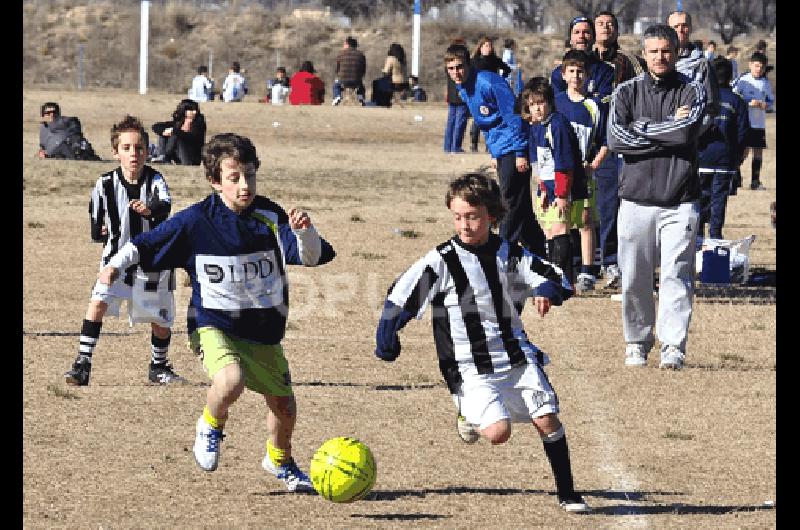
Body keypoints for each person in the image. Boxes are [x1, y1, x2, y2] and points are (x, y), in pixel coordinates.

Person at [94, 133, 336, 487]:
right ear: (214, 181)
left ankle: (279, 461)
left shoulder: (270, 215)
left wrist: (305, 232)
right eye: (234, 177)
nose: (244, 185)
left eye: (250, 175)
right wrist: (114, 266)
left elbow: (311, 258)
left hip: (263, 333)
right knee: (231, 379)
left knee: (284, 410)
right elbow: (148, 243)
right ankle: (210, 425)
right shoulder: (196, 221)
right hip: (213, 324)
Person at [374, 172, 590, 514]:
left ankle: (568, 492)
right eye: (458, 217)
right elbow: (401, 296)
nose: (465, 225)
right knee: (497, 433)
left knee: (547, 418)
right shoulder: (441, 260)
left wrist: (546, 291)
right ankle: (467, 412)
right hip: (468, 365)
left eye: (472, 217)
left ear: (492, 215)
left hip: (515, 355)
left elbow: (555, 276)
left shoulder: (509, 253)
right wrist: (387, 335)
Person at [607, 23, 708, 370]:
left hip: (680, 200)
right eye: (653, 51)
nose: (660, 57)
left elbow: (687, 132)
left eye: (666, 50)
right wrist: (664, 128)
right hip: (635, 199)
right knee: (634, 275)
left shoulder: (693, 90)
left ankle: (673, 346)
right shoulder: (625, 93)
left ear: (676, 52)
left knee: (676, 274)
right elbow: (616, 139)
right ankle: (637, 342)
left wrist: (643, 127)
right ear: (644, 54)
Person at [63, 115, 184, 386]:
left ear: (147, 151)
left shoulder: (155, 180)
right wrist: (101, 233)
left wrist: (149, 210)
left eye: (139, 148)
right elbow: (96, 219)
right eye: (127, 148)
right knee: (97, 304)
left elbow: (164, 205)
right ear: (115, 152)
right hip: (115, 261)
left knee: (160, 322)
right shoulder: (104, 184)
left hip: (152, 262)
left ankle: (159, 366)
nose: (134, 154)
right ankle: (82, 364)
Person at [446, 46, 547, 258]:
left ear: (468, 64)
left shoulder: (489, 82)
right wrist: (494, 152)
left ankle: (499, 254)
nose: (456, 72)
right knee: (522, 208)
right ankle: (543, 255)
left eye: (460, 67)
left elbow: (514, 116)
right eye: (451, 68)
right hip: (501, 148)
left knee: (509, 202)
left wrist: (520, 151)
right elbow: (487, 125)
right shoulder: (463, 88)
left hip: (514, 145)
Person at [591, 10, 647, 289]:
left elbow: (646, 92)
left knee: (613, 203)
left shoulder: (631, 64)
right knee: (584, 206)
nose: (606, 28)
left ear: (617, 31)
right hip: (584, 141)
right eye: (600, 24)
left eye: (610, 24)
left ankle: (612, 260)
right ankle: (583, 262)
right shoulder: (579, 62)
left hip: (617, 141)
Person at [521, 76, 585, 286]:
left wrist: (562, 194)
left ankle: (563, 280)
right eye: (532, 105)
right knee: (550, 231)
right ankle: (560, 278)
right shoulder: (536, 125)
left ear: (549, 102)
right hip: (548, 187)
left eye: (541, 103)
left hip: (563, 187)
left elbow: (564, 164)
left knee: (560, 230)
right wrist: (542, 187)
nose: (537, 109)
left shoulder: (558, 125)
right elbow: (538, 159)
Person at [554, 50, 609, 291]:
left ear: (587, 75)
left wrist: (595, 164)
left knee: (586, 220)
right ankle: (562, 269)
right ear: (563, 74)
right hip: (560, 171)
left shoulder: (594, 105)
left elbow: (607, 140)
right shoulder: (555, 102)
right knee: (560, 219)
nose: (576, 76)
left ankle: (588, 271)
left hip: (584, 172)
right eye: (571, 72)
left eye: (580, 72)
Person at [697, 57, 750, 239]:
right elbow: (743, 133)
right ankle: (715, 238)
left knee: (699, 199)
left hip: (702, 157)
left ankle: (697, 239)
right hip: (725, 161)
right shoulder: (737, 101)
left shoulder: (701, 98)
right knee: (718, 200)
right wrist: (738, 158)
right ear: (730, 76)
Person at [667, 11, 720, 124]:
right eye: (675, 26)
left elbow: (711, 106)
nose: (680, 30)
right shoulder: (658, 61)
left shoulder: (702, 64)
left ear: (690, 28)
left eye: (684, 26)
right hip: (661, 130)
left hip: (692, 131)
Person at [732, 51, 774, 191]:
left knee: (758, 152)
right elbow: (734, 96)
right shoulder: (743, 80)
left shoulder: (765, 83)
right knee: (743, 151)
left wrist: (766, 105)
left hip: (759, 123)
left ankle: (755, 181)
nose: (759, 69)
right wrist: (749, 102)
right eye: (756, 66)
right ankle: (735, 177)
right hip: (745, 122)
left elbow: (770, 100)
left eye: (761, 67)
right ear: (750, 65)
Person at [550, 16, 614, 103]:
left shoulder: (605, 71)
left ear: (594, 38)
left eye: (586, 32)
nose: (581, 36)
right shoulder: (558, 74)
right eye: (577, 32)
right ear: (570, 39)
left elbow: (604, 104)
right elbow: (558, 105)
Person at [469, 37, 511, 152]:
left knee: (493, 117)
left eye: (490, 46)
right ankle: (474, 143)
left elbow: (507, 69)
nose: (488, 48)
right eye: (486, 46)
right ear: (480, 47)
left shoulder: (495, 60)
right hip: (478, 93)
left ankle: (490, 144)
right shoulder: (474, 61)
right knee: (478, 117)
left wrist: (500, 80)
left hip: (492, 92)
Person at [151, 99, 206, 166]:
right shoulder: (179, 122)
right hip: (178, 155)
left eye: (195, 110)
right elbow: (156, 126)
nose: (194, 112)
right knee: (164, 133)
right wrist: (164, 131)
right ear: (184, 111)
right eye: (191, 110)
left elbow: (192, 138)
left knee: (176, 135)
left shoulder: (199, 123)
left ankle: (166, 156)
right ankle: (162, 156)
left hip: (191, 156)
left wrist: (174, 131)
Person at [443, 41, 470, 154]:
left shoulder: (448, 65)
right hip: (460, 97)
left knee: (451, 122)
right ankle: (455, 146)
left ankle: (447, 146)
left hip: (451, 96)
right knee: (460, 122)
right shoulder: (460, 64)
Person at [331, 36, 366, 106]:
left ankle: (337, 96)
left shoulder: (341, 54)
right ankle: (360, 98)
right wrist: (359, 77)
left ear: (347, 44)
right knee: (361, 87)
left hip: (343, 80)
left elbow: (337, 69)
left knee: (336, 85)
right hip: (356, 81)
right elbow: (363, 70)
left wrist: (339, 75)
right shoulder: (361, 55)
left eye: (344, 44)